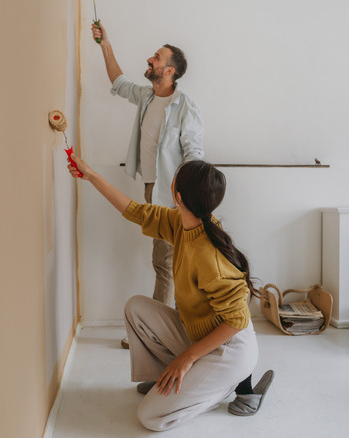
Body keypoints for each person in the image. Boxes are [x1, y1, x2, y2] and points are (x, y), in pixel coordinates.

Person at [67, 154, 274, 431]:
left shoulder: (211, 258)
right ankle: (174, 379)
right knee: (136, 307)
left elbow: (236, 322)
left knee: (150, 417)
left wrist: (185, 359)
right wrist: (90, 175)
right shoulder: (182, 222)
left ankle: (228, 387)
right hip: (200, 335)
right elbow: (135, 211)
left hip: (229, 350)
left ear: (178, 195)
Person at [91, 21, 204, 349]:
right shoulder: (146, 97)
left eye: (156, 58)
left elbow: (194, 153)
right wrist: (105, 44)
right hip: (152, 189)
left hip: (175, 194)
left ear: (169, 70)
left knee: (165, 263)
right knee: (165, 262)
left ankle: (156, 335)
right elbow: (118, 82)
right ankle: (168, 330)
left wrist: (187, 199)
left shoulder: (185, 107)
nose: (149, 60)